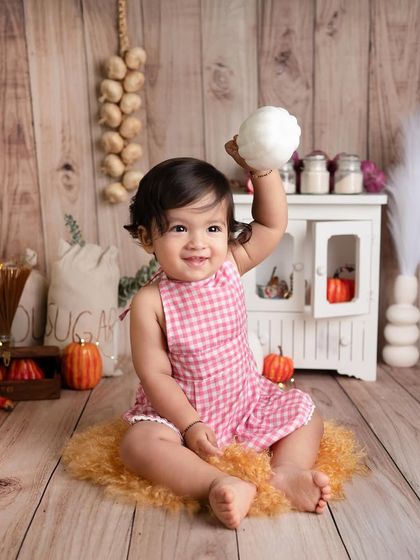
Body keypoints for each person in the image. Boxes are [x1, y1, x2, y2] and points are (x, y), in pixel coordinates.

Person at [120, 138, 331, 529]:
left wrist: (261, 169)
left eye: (213, 227)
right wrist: (189, 424)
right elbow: (155, 375)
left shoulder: (231, 262)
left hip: (244, 400)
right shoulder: (151, 302)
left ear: (226, 232)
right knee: (138, 445)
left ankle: (285, 473)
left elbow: (271, 223)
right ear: (148, 238)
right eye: (180, 228)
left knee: (306, 412)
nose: (198, 243)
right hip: (181, 417)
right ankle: (219, 482)